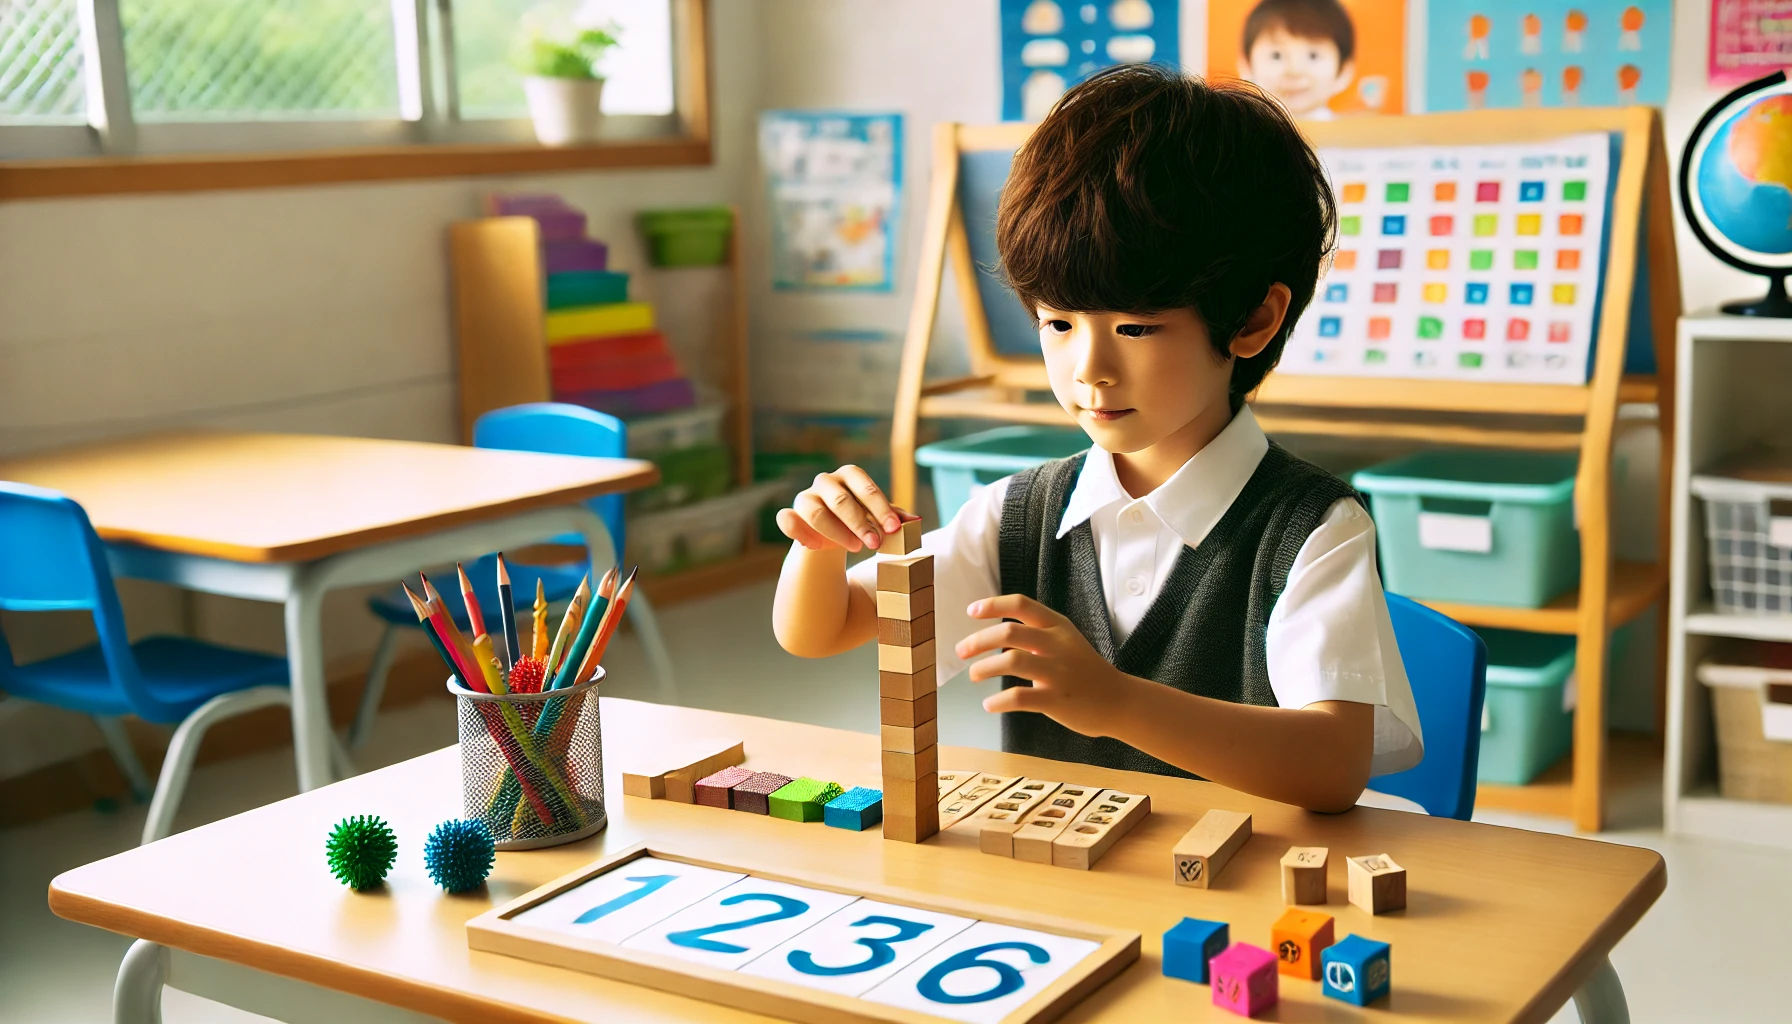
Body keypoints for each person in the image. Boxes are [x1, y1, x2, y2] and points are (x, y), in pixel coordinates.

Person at [770, 65, 1421, 813]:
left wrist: (1116, 702)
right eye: (1059, 323)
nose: (1091, 370)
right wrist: (814, 547)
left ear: (1252, 321)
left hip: (1234, 907)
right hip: (1064, 903)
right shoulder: (1019, 516)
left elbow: (1334, 766)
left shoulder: (1310, 529)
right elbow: (822, 631)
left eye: (1136, 328)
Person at [1237, 0, 1357, 121]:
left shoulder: (1356, 135)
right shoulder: (1235, 134)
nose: (1295, 71)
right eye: (1276, 56)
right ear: (1247, 67)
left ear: (1343, 72)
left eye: (1313, 56)